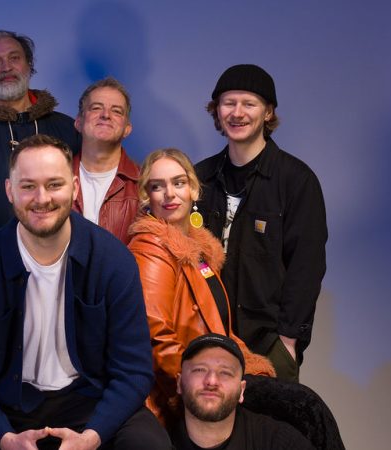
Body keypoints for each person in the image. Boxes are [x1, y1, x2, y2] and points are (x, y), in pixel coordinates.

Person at [0, 134, 171, 450]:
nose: (42, 198)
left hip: (90, 403)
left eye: (55, 184)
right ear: (10, 191)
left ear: (75, 188)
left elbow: (134, 371)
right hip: (6, 406)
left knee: (149, 445)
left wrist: (92, 436)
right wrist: (4, 437)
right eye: (28, 186)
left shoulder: (113, 260)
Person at [194, 64, 328, 382]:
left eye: (249, 103)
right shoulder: (199, 178)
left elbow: (306, 268)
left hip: (267, 346)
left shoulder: (296, 180)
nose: (237, 113)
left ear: (268, 112)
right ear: (216, 111)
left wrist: (288, 342)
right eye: (229, 103)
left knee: (270, 433)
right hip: (204, 340)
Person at [127, 148, 275, 429]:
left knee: (301, 407)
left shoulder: (199, 251)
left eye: (178, 183)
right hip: (185, 388)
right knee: (300, 411)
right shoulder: (151, 247)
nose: (169, 193)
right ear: (148, 197)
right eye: (158, 186)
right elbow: (154, 334)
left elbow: (220, 329)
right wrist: (195, 384)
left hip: (214, 374)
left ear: (193, 190)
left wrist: (248, 368)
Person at [0, 30, 81, 247]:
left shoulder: (67, 128)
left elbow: (81, 199)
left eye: (14, 58)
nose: (6, 67)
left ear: (29, 65)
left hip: (62, 256)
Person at [172, 334, 314, 450]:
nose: (211, 381)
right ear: (179, 383)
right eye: (200, 370)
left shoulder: (280, 442)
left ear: (242, 390)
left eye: (225, 373)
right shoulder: (158, 442)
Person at [72, 77, 139, 244]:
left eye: (116, 111)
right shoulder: (53, 179)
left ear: (127, 129)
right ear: (79, 122)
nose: (106, 115)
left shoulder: (145, 184)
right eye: (96, 108)